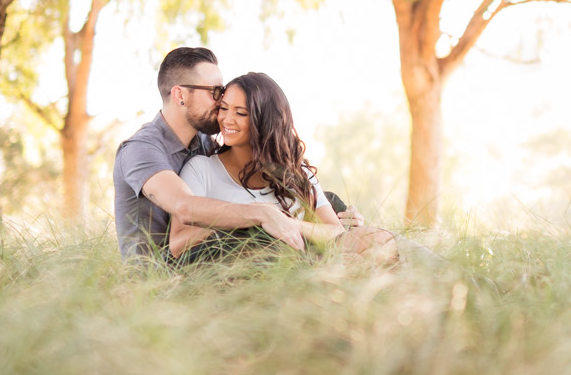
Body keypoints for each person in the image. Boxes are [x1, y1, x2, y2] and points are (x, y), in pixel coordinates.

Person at [170, 71, 397, 264]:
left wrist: (288, 223)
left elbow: (335, 231)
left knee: (382, 241)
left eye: (240, 113)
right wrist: (248, 217)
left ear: (264, 121)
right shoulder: (201, 169)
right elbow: (177, 244)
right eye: (224, 108)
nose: (227, 119)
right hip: (252, 268)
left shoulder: (296, 172)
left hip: (308, 260)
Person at [114, 47, 308, 259]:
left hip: (211, 262)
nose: (221, 101)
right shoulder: (141, 149)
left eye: (222, 91)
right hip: (161, 279)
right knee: (260, 228)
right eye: (214, 92)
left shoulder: (205, 143)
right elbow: (184, 207)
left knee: (320, 200)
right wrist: (262, 212)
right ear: (180, 95)